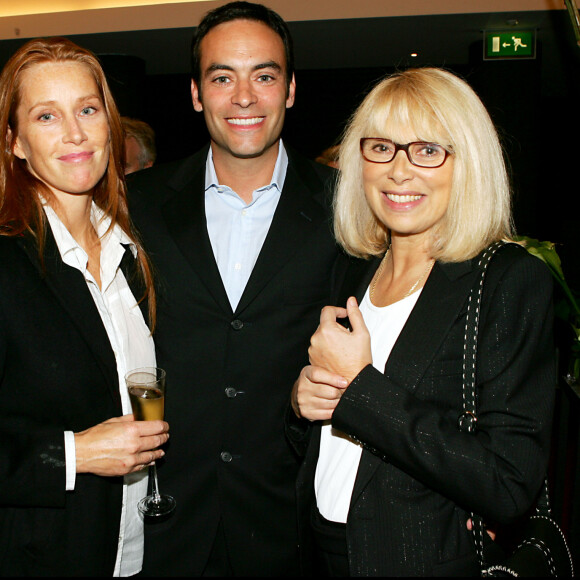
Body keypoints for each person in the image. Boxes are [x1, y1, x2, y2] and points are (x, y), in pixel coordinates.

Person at [289, 67, 556, 576]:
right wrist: (302, 403)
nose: (399, 171)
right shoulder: (354, 267)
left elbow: (509, 480)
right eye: (382, 147)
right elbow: (328, 436)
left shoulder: (506, 281)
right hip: (321, 548)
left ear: (468, 165)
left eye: (427, 150)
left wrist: (359, 387)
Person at [127, 1, 340, 576]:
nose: (244, 97)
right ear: (197, 94)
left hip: (291, 525)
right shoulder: (137, 205)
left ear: (290, 89)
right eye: (223, 77)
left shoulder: (347, 208)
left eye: (263, 75)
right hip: (165, 523)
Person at [0, 37, 169, 576]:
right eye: (47, 116)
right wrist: (75, 455)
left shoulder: (133, 252)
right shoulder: (6, 263)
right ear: (15, 143)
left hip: (139, 549)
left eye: (88, 109)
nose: (75, 133)